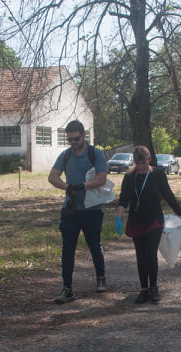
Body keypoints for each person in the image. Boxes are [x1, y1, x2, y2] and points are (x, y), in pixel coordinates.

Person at [116, 145, 181, 304]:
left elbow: (168, 195)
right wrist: (119, 218)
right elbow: (123, 199)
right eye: (137, 163)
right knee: (141, 256)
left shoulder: (158, 175)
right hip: (136, 220)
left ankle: (154, 288)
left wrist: (180, 213)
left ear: (149, 159)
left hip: (154, 220)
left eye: (143, 162)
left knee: (150, 254)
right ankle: (144, 289)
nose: (140, 166)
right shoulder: (130, 177)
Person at [48, 120, 109, 303]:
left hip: (92, 209)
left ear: (84, 135)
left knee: (94, 245)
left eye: (76, 139)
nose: (73, 142)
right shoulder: (66, 155)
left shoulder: (95, 154)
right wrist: (67, 187)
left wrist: (82, 186)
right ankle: (67, 288)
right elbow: (52, 176)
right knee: (68, 249)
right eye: (69, 140)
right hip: (70, 209)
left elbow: (102, 178)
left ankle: (101, 277)